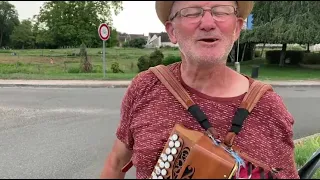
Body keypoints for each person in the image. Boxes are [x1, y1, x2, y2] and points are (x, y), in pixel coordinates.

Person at [100, 1, 299, 179]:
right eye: (191, 13)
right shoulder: (145, 86)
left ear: (237, 28)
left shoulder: (269, 108)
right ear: (172, 31)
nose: (207, 23)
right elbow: (116, 164)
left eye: (220, 11)